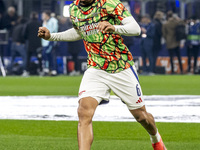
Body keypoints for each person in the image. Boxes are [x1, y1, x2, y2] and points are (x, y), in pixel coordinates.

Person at [38, 0, 167, 150]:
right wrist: (51, 36)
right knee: (84, 111)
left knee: (142, 117)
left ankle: (155, 138)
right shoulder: (74, 9)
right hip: (95, 67)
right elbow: (79, 31)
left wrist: (114, 27)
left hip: (120, 66)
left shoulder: (109, 3)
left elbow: (135, 29)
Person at [23, 12, 42, 76]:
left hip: (30, 44)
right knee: (39, 57)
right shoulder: (40, 24)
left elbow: (24, 34)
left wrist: (26, 39)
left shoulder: (28, 24)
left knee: (28, 58)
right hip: (38, 43)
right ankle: (40, 70)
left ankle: (26, 71)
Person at [41, 10, 58, 76]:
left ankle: (54, 70)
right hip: (45, 42)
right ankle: (47, 69)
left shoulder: (53, 21)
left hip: (51, 41)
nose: (42, 16)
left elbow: (53, 30)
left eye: (43, 15)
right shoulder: (45, 22)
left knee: (51, 55)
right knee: (46, 55)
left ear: (47, 15)